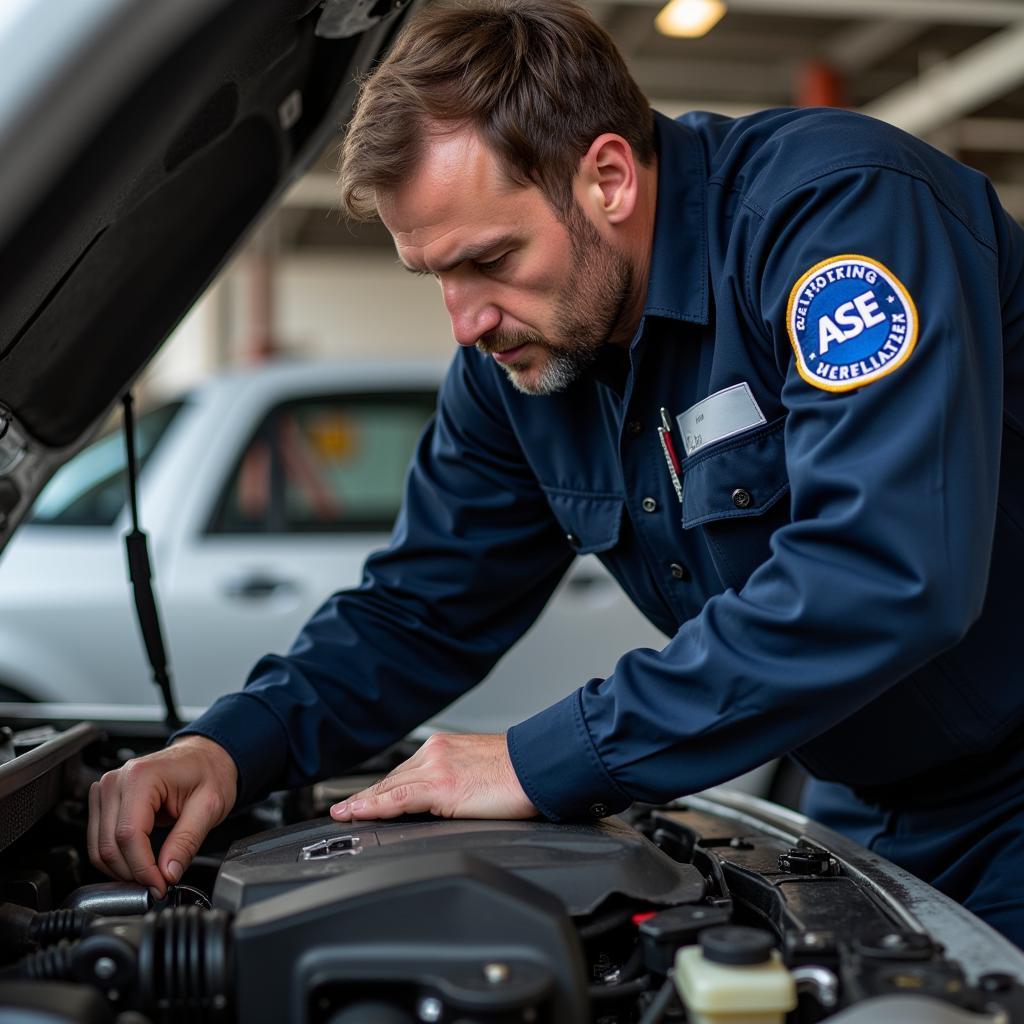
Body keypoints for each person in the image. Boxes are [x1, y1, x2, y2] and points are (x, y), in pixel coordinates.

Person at [89, 0, 1024, 944]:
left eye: (491, 259)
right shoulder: (519, 366)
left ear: (607, 177)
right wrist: (228, 747)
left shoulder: (836, 214)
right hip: (866, 803)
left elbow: (881, 572)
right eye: (437, 278)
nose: (466, 323)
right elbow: (424, 607)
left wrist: (541, 759)